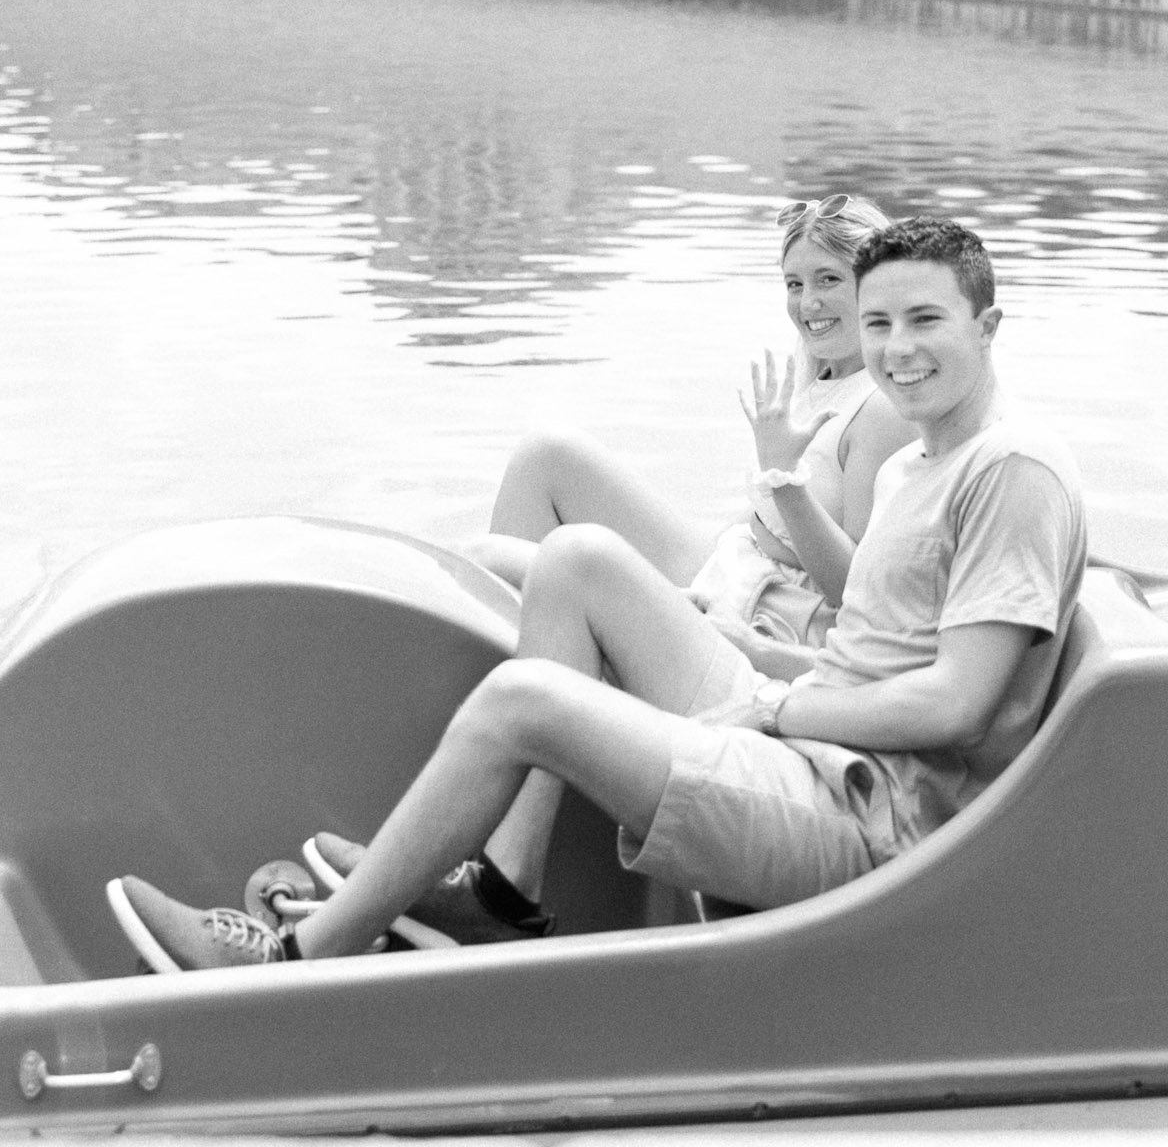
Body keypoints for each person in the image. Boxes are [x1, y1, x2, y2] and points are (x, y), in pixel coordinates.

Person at [107, 217, 1087, 972]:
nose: (895, 348)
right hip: (821, 745)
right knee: (579, 558)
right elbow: (882, 653)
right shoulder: (925, 459)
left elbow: (955, 704)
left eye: (925, 320)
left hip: (867, 818)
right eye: (879, 322)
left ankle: (295, 959)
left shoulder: (1012, 473)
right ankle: (501, 888)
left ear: (986, 325)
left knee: (520, 702)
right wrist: (753, 651)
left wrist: (778, 701)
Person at [470, 192, 916, 682]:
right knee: (547, 455)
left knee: (488, 559)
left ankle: (532, 682)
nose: (808, 303)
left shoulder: (881, 409)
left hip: (775, 615)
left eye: (828, 279)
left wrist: (784, 477)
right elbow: (762, 522)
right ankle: (536, 661)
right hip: (735, 566)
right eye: (794, 283)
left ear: (874, 286)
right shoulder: (821, 375)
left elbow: (854, 594)